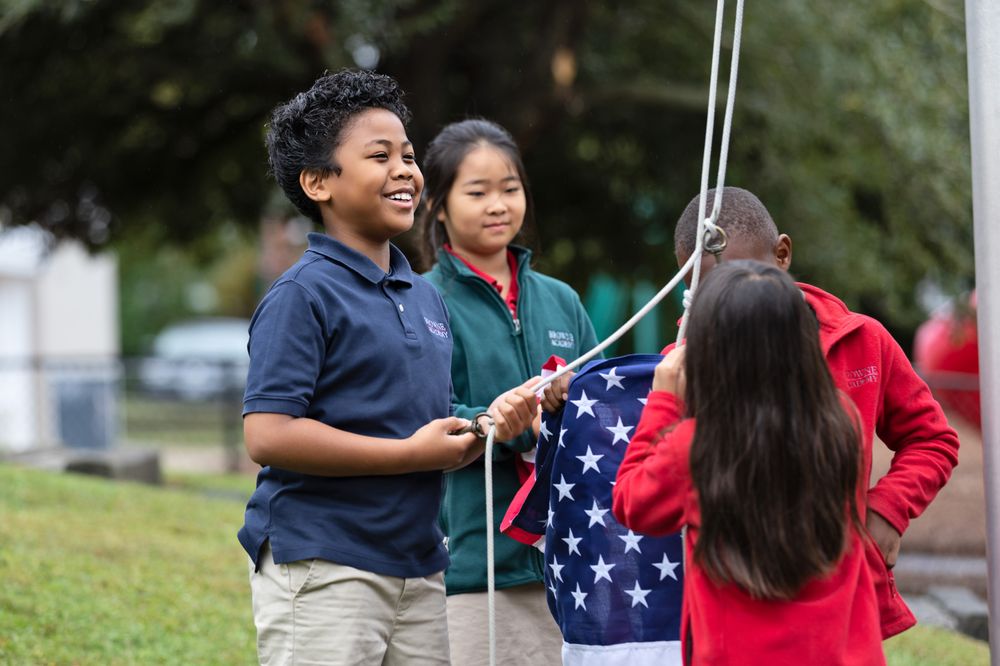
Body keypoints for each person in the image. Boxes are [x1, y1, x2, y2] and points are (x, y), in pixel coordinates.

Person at [237, 71, 537, 666]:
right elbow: (267, 434)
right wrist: (411, 455)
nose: (405, 169)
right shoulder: (302, 293)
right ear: (318, 182)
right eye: (380, 156)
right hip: (325, 566)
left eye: (407, 154)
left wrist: (480, 426)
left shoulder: (422, 295)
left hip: (421, 571)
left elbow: (422, 418)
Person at [665, 186, 960, 638]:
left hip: (843, 605)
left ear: (781, 254)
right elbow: (646, 480)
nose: (732, 303)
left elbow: (932, 437)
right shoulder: (684, 365)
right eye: (708, 292)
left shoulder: (862, 341)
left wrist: (886, 510)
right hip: (738, 611)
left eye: (745, 277)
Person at [614, 260, 886, 665]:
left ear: (709, 353)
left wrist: (664, 400)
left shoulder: (695, 447)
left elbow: (631, 502)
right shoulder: (840, 422)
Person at [417, 118, 600, 665]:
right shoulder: (421, 302)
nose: (497, 204)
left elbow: (608, 408)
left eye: (510, 188)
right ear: (438, 207)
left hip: (571, 563)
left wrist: (573, 405)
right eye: (477, 192)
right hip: (475, 563)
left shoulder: (561, 299)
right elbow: (423, 417)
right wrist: (493, 422)